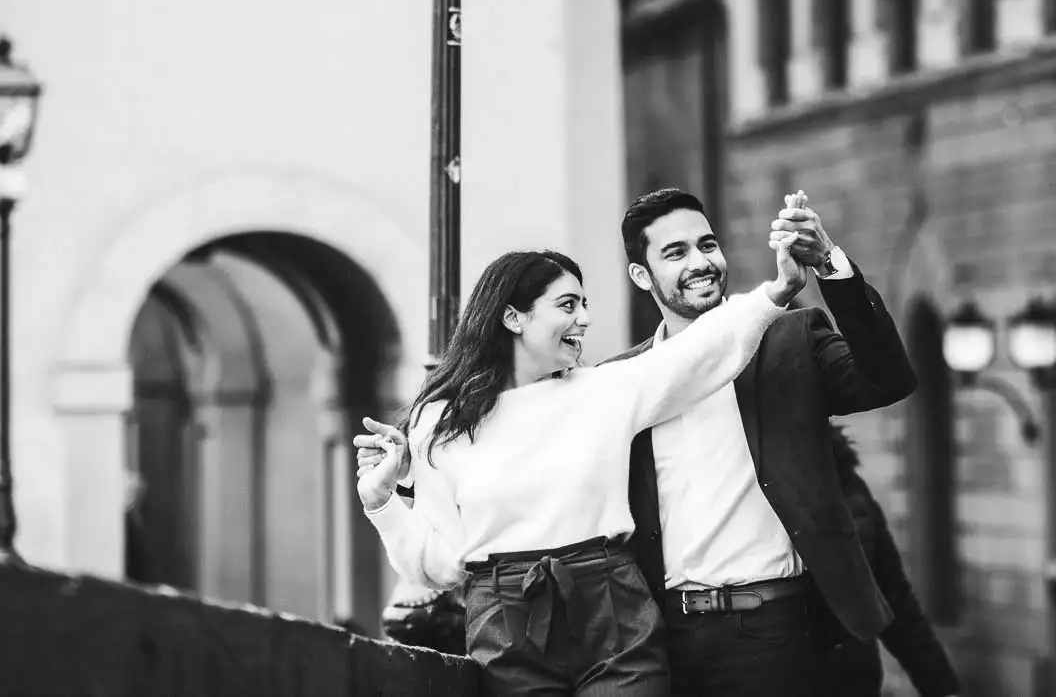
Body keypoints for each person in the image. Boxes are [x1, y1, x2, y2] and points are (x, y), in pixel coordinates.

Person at [353, 223, 810, 696]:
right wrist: (381, 502)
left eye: (584, 304)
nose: (585, 319)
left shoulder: (603, 392)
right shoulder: (440, 421)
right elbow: (438, 566)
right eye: (568, 305)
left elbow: (702, 352)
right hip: (506, 623)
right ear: (513, 318)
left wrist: (775, 293)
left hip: (613, 608)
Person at [606, 187, 918, 697]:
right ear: (642, 276)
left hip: (772, 633)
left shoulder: (791, 339)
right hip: (662, 642)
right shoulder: (624, 381)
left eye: (707, 245)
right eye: (676, 252)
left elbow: (888, 380)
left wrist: (828, 264)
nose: (700, 262)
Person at [821, 423, 961, 697]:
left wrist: (941, 686)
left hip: (853, 680)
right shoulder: (751, 490)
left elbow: (892, 595)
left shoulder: (848, 486)